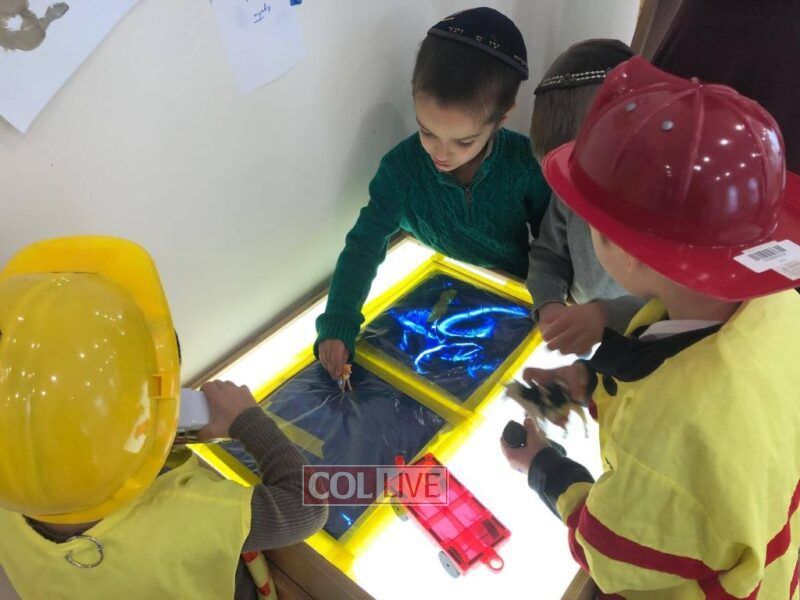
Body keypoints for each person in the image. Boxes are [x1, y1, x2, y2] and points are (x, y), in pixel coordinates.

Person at [502, 58, 800, 598]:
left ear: (629, 253)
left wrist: (544, 468)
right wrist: (589, 381)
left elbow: (605, 551)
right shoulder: (780, 304)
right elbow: (667, 354)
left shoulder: (670, 435)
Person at [0, 236, 327, 600]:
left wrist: (165, 438)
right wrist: (248, 420)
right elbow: (307, 507)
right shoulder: (195, 514)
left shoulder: (10, 500)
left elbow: (49, 444)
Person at [316, 7, 551, 380]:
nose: (441, 154)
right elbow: (363, 245)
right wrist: (338, 319)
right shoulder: (401, 171)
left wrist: (550, 301)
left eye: (464, 141)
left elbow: (552, 245)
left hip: (509, 303)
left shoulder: (525, 164)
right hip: (428, 302)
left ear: (501, 119)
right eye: (427, 131)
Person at [526, 39, 645, 356]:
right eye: (565, 187)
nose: (576, 201)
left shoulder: (664, 211)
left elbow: (681, 305)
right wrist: (549, 303)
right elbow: (549, 253)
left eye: (586, 190)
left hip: (640, 345)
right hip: (584, 328)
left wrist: (607, 316)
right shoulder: (569, 189)